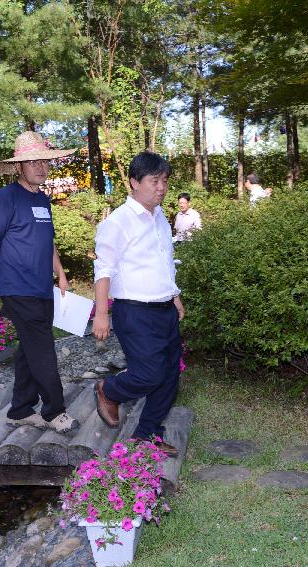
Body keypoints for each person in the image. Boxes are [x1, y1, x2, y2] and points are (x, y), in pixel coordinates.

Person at [0, 131, 79, 434]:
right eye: (32, 162)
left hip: (41, 287)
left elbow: (48, 242)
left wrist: (61, 274)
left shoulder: (42, 199)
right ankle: (54, 412)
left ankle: (20, 410)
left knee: (30, 350)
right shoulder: (7, 197)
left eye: (44, 162)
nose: (40, 168)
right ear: (18, 167)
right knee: (43, 348)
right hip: (17, 288)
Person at [92, 152, 183, 457]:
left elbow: (165, 262)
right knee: (149, 374)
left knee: (170, 376)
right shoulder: (118, 222)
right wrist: (102, 313)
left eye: (165, 180)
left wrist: (175, 296)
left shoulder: (159, 218)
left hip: (164, 309)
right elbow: (103, 269)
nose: (161, 187)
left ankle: (147, 434)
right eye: (154, 180)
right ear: (134, 182)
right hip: (135, 311)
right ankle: (109, 389)